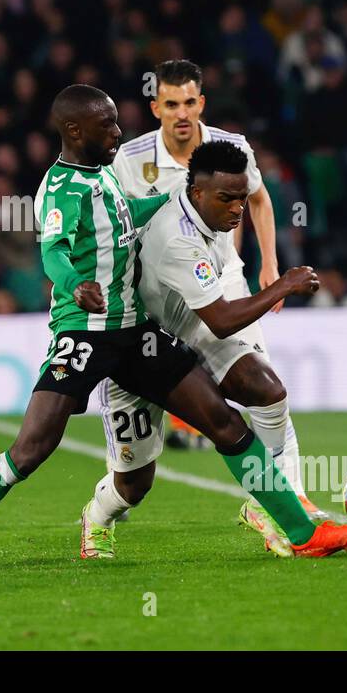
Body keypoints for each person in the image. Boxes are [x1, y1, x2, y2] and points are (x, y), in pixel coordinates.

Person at [0, 85, 347, 569]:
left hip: (135, 332)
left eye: (118, 122)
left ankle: (303, 534)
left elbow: (124, 218)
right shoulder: (60, 189)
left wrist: (174, 196)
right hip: (84, 334)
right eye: (108, 125)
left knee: (224, 423)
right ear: (75, 130)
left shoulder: (104, 177)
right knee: (30, 450)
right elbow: (52, 251)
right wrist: (75, 283)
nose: (118, 132)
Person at [79, 141, 324, 559]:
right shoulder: (178, 236)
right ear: (197, 194)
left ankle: (279, 503)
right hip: (137, 351)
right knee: (134, 484)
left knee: (264, 388)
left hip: (187, 332)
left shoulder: (211, 220)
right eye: (227, 199)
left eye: (241, 200)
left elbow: (214, 315)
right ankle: (96, 518)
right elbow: (223, 318)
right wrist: (284, 283)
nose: (237, 210)